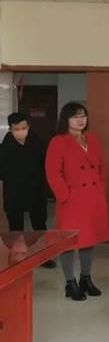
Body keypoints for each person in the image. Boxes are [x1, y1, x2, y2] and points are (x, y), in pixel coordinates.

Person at [46, 102, 109, 300]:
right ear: (65, 119)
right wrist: (65, 195)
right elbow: (53, 173)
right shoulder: (58, 142)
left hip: (92, 197)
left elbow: (101, 166)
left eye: (83, 115)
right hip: (72, 200)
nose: (80, 120)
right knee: (69, 241)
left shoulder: (92, 138)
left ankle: (86, 278)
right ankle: (70, 282)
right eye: (75, 116)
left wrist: (100, 189)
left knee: (88, 239)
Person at [0, 113, 56, 268]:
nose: (21, 131)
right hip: (14, 192)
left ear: (28, 127)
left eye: (23, 128)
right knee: (16, 227)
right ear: (10, 129)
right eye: (17, 129)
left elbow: (47, 163)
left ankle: (43, 257)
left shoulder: (37, 143)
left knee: (39, 225)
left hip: (36, 191)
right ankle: (17, 258)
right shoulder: (5, 147)